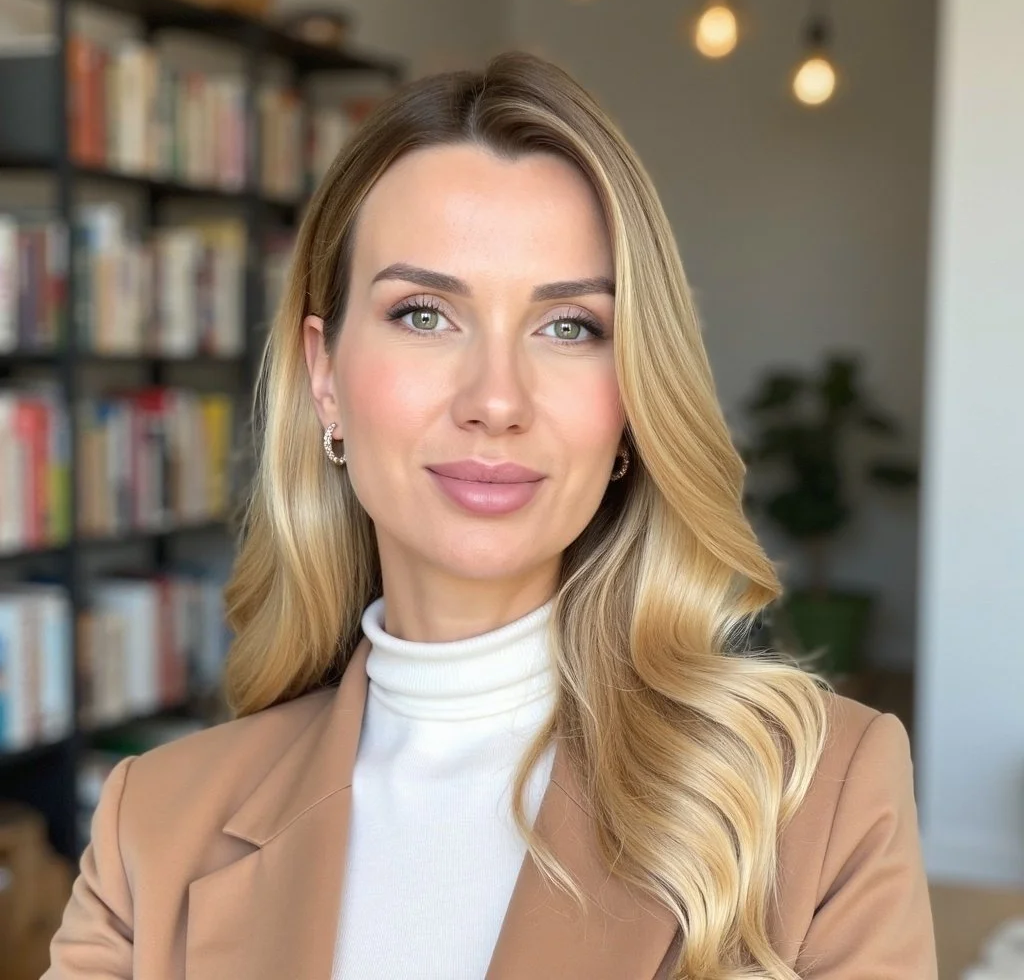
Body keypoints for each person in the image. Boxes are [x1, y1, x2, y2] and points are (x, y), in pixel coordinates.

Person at [45, 52, 937, 979]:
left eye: (569, 327)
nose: (496, 398)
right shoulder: (153, 822)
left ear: (633, 397)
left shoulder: (821, 793)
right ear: (325, 375)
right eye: (425, 314)